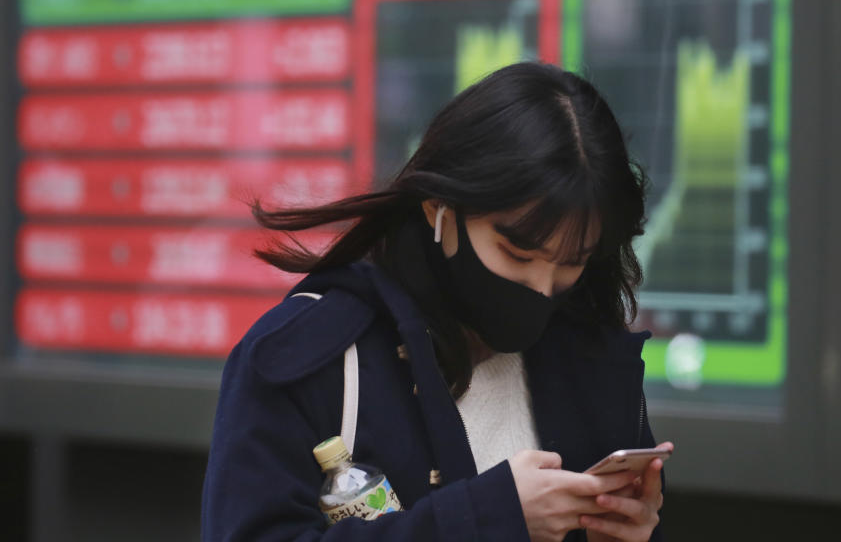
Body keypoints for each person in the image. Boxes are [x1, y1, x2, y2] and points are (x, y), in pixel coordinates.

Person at [201, 61, 669, 541]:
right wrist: (488, 518)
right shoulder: (310, 354)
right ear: (439, 209)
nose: (542, 286)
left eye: (573, 261)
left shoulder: (591, 351)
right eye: (517, 253)